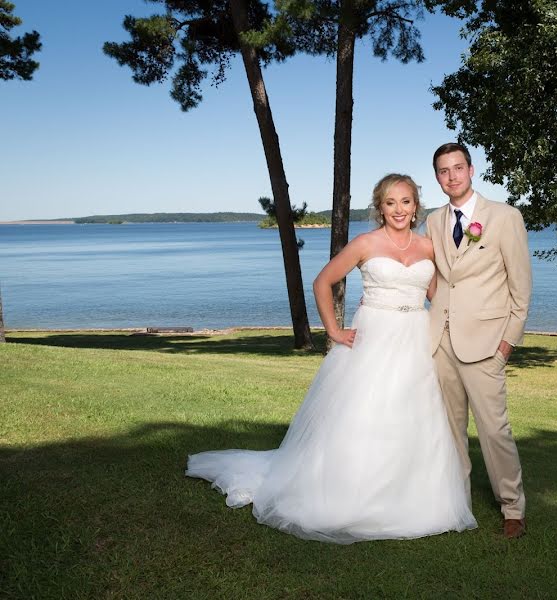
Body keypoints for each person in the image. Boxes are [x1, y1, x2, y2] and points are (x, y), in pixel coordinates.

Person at [186, 174, 477, 544]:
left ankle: (414, 498)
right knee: (365, 413)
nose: (399, 210)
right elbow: (323, 282)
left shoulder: (429, 247)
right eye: (390, 203)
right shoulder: (365, 243)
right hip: (374, 336)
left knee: (416, 415)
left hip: (416, 339)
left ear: (416, 206)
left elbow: (437, 296)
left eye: (405, 202)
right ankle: (353, 494)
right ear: (380, 207)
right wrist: (334, 331)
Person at [425, 143, 532, 539]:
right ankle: (458, 503)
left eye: (457, 168)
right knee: (450, 431)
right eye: (442, 170)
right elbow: (434, 275)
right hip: (440, 343)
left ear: (471, 170)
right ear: (437, 177)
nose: (451, 176)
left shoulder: (504, 217)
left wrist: (507, 344)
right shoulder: (434, 222)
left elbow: (521, 290)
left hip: (487, 345)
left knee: (494, 431)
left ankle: (512, 508)